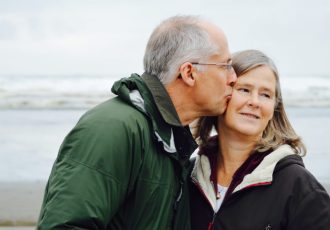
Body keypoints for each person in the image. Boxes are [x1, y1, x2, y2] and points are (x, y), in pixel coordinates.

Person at [37, 15, 237, 229]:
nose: (233, 77)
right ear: (189, 73)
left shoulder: (168, 138)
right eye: (224, 65)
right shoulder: (113, 128)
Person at [189, 49, 330, 230]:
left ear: (273, 108)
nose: (255, 102)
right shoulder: (189, 176)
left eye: (265, 94)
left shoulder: (298, 186)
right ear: (222, 95)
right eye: (244, 89)